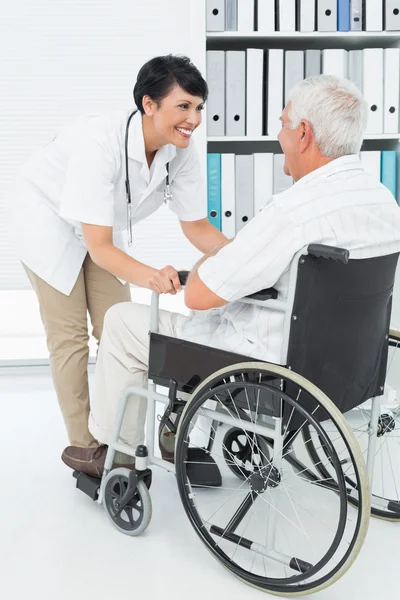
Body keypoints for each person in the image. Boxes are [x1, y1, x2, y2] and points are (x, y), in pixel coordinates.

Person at [61, 74, 400, 477]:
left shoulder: (292, 212)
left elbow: (198, 294)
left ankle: (114, 455)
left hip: (266, 371)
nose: (279, 136)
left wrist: (225, 256)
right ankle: (178, 430)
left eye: (283, 124)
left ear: (304, 134)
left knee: (122, 321)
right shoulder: (383, 200)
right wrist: (239, 253)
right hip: (346, 370)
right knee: (208, 317)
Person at [9, 54, 227, 456]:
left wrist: (244, 256)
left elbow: (196, 226)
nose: (194, 119)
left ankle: (121, 438)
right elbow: (100, 248)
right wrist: (151, 276)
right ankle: (85, 446)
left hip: (100, 229)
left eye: (198, 108)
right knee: (70, 337)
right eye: (183, 107)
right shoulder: (99, 143)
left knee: (120, 333)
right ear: (149, 104)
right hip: (49, 223)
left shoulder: (180, 149)